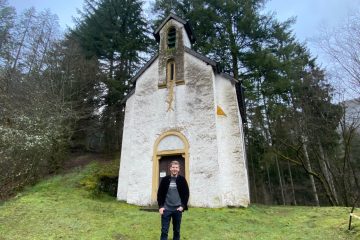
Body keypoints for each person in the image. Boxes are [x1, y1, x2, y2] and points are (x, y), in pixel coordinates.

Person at [157, 160, 189, 240]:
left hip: (177, 210)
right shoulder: (165, 180)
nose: (175, 169)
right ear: (170, 168)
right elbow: (159, 194)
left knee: (177, 231)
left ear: (179, 169)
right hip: (166, 209)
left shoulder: (182, 180)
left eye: (176, 167)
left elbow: (186, 194)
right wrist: (161, 206)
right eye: (173, 167)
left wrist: (182, 206)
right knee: (164, 230)